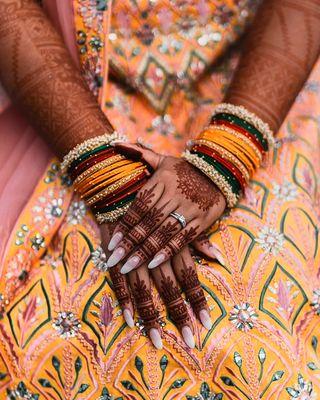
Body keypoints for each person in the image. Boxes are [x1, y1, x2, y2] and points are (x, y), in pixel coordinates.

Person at [0, 0, 319, 398]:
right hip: (74, 91)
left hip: (256, 81)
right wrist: (106, 173)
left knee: (253, 317)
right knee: (75, 313)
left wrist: (223, 159)